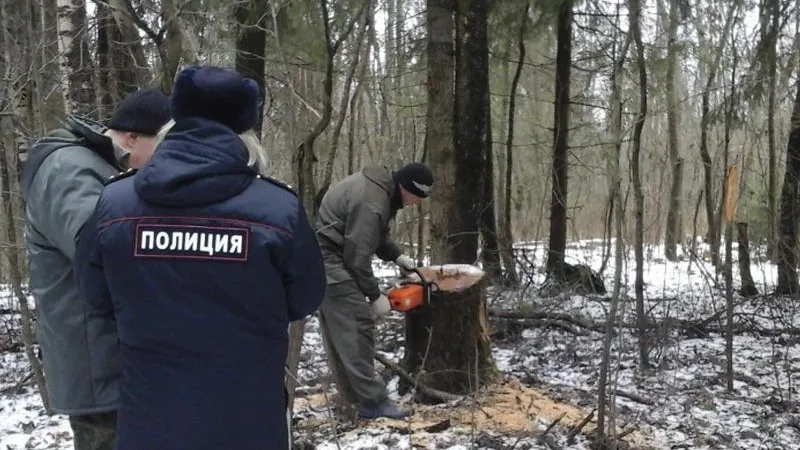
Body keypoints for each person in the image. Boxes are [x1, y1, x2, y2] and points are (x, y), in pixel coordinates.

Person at [73, 65, 327, 450]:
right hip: (247, 418)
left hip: (151, 417)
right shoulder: (277, 209)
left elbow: (96, 295)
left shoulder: (115, 203)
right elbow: (305, 298)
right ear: (246, 126)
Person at [21, 88, 171, 450]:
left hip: (112, 360)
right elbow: (104, 251)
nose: (165, 160)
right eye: (163, 147)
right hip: (99, 365)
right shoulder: (70, 169)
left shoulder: (96, 165)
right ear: (132, 136)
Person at [315, 162, 434, 419]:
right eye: (416, 197)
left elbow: (374, 236)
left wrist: (397, 257)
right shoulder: (373, 201)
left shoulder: (381, 191)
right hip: (329, 260)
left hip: (333, 257)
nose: (416, 203)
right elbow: (357, 256)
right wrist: (374, 295)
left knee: (347, 331)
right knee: (358, 326)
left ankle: (354, 396)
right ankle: (373, 402)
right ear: (406, 187)